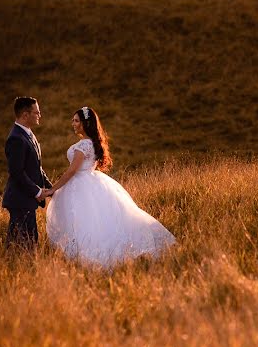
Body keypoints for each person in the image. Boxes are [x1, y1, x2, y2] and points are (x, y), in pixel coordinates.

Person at [45, 106, 176, 269]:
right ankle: (82, 255)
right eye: (73, 120)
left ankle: (88, 256)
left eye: (76, 121)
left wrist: (53, 189)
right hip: (90, 182)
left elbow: (72, 171)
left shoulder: (84, 145)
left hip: (80, 185)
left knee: (82, 220)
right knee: (92, 220)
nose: (73, 123)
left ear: (86, 123)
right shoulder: (91, 143)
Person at [2, 96, 53, 251]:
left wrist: (52, 188)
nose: (40, 115)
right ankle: (13, 272)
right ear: (25, 115)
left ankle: (19, 269)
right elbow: (17, 173)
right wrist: (37, 191)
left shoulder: (28, 133)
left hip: (26, 201)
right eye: (36, 113)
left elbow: (36, 167)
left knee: (28, 244)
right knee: (21, 246)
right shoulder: (16, 139)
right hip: (20, 201)